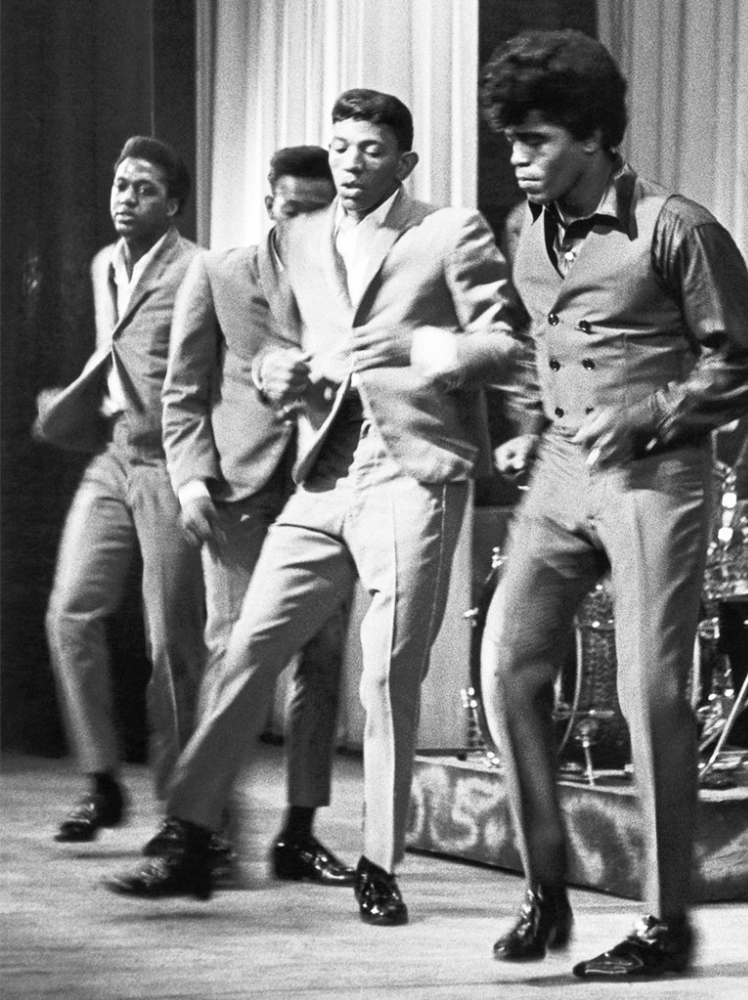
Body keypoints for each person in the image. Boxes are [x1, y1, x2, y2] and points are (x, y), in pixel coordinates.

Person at [105, 89, 527, 922]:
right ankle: (190, 837)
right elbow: (273, 344)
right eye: (340, 146)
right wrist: (272, 371)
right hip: (323, 476)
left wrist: (422, 347)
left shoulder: (448, 231)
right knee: (246, 653)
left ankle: (379, 860)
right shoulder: (293, 238)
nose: (350, 162)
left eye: (371, 149)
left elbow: (505, 343)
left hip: (412, 472)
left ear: (402, 162)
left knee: (384, 674)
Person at [478, 31, 748, 981]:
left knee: (651, 694)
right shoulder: (531, 231)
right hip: (561, 471)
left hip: (658, 474)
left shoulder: (676, 227)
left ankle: (666, 921)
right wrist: (529, 419)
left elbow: (746, 358)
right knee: (507, 666)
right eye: (511, 141)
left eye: (536, 139)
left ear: (596, 136)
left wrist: (646, 413)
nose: (519, 157)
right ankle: (546, 886)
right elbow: (538, 342)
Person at [158, 146, 353, 886]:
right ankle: (208, 829)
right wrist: (192, 485)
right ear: (269, 203)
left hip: (323, 492)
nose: (303, 217)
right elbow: (183, 394)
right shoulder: (219, 273)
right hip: (236, 495)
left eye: (319, 205)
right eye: (291, 204)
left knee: (323, 663)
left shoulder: (352, 281)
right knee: (231, 656)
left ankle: (298, 834)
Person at [34, 136, 205, 842]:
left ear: (171, 203)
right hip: (113, 453)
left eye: (141, 188)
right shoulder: (106, 264)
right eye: (118, 185)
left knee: (173, 643)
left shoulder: (199, 270)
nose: (124, 198)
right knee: (70, 611)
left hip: (171, 460)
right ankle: (102, 780)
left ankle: (182, 809)